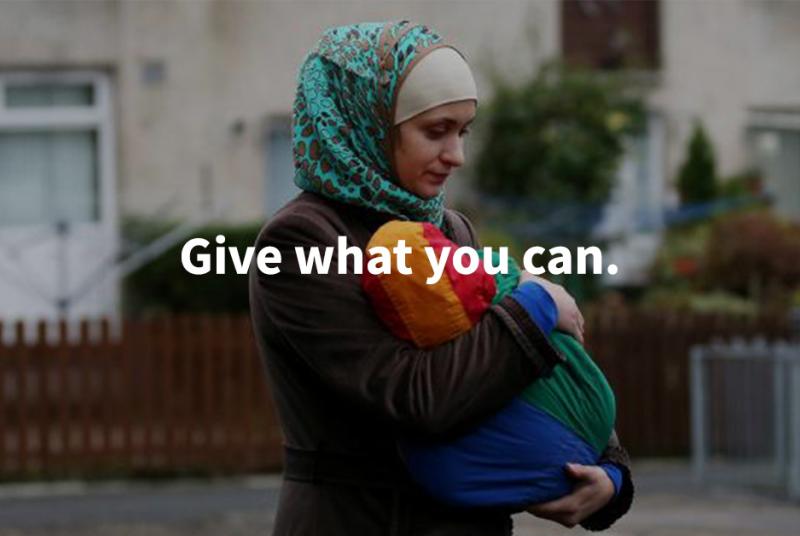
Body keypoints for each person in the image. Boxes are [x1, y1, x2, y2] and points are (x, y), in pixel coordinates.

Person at [249, 21, 633, 535]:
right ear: (369, 124)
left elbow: (523, 381)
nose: (457, 155)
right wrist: (534, 307)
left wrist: (611, 475)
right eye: (435, 131)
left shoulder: (449, 229)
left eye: (463, 130)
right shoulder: (302, 242)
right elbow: (417, 398)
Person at [362, 221, 619, 508]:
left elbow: (562, 387)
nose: (453, 171)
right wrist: (536, 301)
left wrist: (612, 474)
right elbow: (426, 403)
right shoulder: (312, 236)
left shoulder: (452, 225)